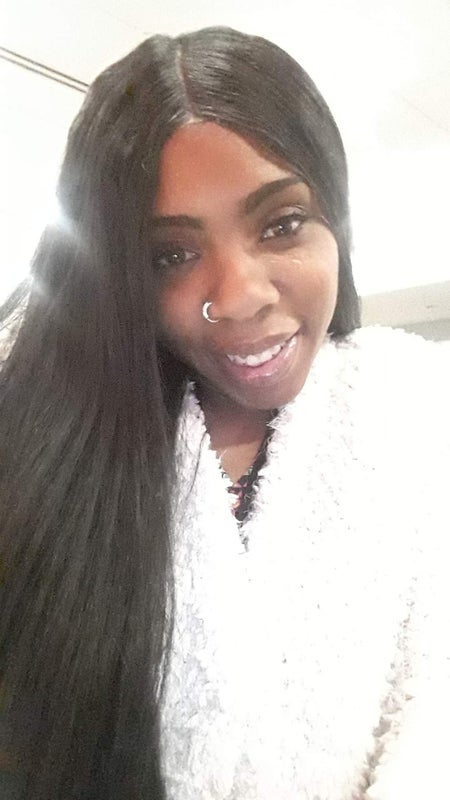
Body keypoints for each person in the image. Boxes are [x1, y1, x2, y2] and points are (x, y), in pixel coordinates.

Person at [0, 26, 448, 800]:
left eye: (281, 224)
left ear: (336, 217)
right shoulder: (35, 444)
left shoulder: (418, 415)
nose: (238, 295)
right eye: (172, 255)